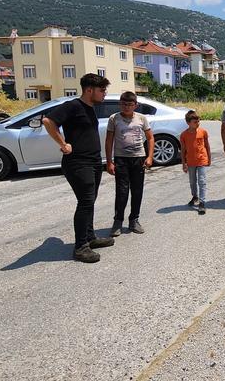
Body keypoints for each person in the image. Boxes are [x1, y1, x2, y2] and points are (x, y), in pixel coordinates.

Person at [43, 73, 113, 263]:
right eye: (102, 90)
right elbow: (48, 121)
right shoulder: (73, 106)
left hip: (92, 162)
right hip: (78, 163)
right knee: (85, 202)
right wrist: (63, 143)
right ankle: (81, 247)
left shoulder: (90, 108)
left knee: (90, 201)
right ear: (89, 90)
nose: (104, 94)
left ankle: (90, 237)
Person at [105, 91, 154, 236]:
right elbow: (109, 141)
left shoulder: (142, 118)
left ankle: (134, 220)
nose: (126, 107)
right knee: (122, 192)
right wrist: (109, 162)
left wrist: (150, 157)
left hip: (138, 158)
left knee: (137, 191)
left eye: (129, 104)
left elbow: (150, 138)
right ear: (120, 104)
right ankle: (117, 222)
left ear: (135, 105)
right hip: (121, 159)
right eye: (123, 104)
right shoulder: (114, 119)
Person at [180, 110, 211, 215]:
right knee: (192, 181)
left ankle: (202, 202)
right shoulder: (184, 135)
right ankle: (195, 196)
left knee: (202, 181)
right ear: (188, 123)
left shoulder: (203, 132)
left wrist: (209, 159)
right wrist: (184, 163)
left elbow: (207, 146)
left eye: (198, 121)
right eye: (195, 122)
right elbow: (183, 150)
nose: (197, 124)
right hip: (190, 162)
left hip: (201, 160)